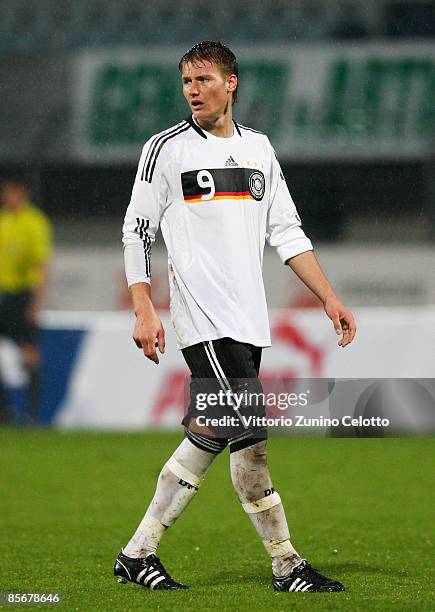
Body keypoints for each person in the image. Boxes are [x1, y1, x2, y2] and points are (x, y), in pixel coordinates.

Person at [115, 41, 356, 593]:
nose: (192, 91)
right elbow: (136, 231)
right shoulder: (166, 150)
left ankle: (137, 553)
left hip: (249, 321)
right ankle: (286, 565)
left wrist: (329, 297)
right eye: (186, 82)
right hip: (203, 319)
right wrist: (144, 306)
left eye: (203, 79)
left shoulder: (259, 150)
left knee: (223, 434)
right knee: (247, 431)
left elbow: (287, 232)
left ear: (232, 82)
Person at [0, 179, 52, 424]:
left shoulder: (34, 222)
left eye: (11, 192)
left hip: (23, 295)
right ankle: (5, 411)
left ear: (23, 192)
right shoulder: (4, 220)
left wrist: (35, 302)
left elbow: (41, 265)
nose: (7, 197)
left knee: (29, 354)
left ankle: (31, 415)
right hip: (4, 295)